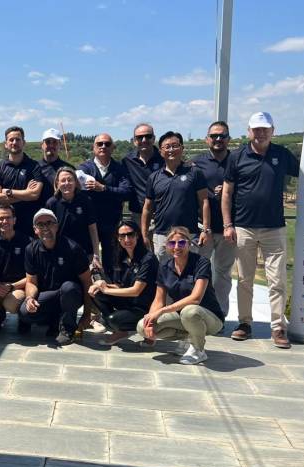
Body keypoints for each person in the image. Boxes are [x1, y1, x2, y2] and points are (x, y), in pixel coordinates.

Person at [222, 112, 299, 348]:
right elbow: (227, 193)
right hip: (244, 227)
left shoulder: (282, 154)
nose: (261, 133)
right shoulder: (236, 157)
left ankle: (278, 327)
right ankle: (245, 324)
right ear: (249, 131)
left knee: (277, 281)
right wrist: (227, 224)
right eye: (256, 129)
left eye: (265, 129)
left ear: (273, 131)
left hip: (274, 228)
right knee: (244, 280)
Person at [136, 226, 225, 364]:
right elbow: (158, 300)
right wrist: (150, 322)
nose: (176, 247)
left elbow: (196, 298)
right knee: (142, 326)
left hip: (210, 318)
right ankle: (188, 337)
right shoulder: (164, 266)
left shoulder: (201, 262)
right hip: (182, 315)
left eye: (181, 243)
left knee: (190, 311)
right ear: (167, 246)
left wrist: (163, 311)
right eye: (172, 243)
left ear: (189, 244)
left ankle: (198, 350)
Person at [20, 209, 94, 346]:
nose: (45, 227)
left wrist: (87, 314)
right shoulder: (30, 249)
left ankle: (67, 328)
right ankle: (54, 320)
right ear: (35, 229)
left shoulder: (73, 248)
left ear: (57, 226)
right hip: (49, 294)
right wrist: (30, 298)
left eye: (49, 223)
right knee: (24, 313)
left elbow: (87, 283)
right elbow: (31, 282)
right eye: (40, 224)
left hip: (71, 294)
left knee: (68, 288)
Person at [141, 131, 211, 261]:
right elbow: (147, 208)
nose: (171, 150)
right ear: (161, 151)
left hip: (189, 234)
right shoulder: (154, 177)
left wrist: (206, 230)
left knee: (189, 274)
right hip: (162, 234)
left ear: (182, 148)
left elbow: (204, 201)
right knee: (163, 274)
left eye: (175, 145)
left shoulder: (195, 173)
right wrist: (144, 234)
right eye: (167, 147)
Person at [192, 121, 236, 318]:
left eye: (222, 135)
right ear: (207, 139)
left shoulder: (236, 161)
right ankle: (196, 311)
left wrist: (229, 193)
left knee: (223, 274)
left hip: (229, 228)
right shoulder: (196, 162)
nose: (218, 139)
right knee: (198, 272)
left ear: (229, 139)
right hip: (204, 228)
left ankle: (219, 315)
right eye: (214, 135)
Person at [89, 220, 159, 346]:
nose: (127, 239)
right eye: (122, 236)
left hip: (144, 308)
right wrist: (100, 284)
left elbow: (136, 291)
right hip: (128, 302)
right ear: (118, 238)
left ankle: (125, 328)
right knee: (95, 292)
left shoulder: (148, 259)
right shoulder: (121, 256)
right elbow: (119, 286)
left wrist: (106, 290)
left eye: (130, 234)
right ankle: (120, 327)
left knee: (113, 319)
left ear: (137, 235)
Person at [77, 133, 132, 268]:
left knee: (112, 262)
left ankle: (111, 287)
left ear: (113, 147)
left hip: (111, 224)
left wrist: (103, 188)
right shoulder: (84, 168)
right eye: (99, 144)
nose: (103, 146)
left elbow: (127, 192)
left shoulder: (119, 169)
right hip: (88, 224)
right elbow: (76, 187)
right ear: (93, 147)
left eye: (107, 144)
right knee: (88, 261)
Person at [0, 205, 30, 333]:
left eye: (8, 218)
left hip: (17, 287)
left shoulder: (26, 241)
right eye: (1, 218)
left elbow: (32, 276)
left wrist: (12, 286)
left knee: (11, 304)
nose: (5, 221)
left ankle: (24, 318)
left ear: (14, 220)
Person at [45, 167, 102, 269]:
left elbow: (93, 229)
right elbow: (48, 231)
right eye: (63, 180)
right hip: (60, 253)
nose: (66, 183)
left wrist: (96, 255)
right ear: (57, 183)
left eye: (70, 180)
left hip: (85, 253)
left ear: (75, 182)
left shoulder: (85, 200)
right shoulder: (51, 203)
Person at [0, 126, 44, 234]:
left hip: (27, 224)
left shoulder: (34, 166)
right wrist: (26, 195)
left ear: (24, 142)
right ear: (6, 144)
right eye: (11, 140)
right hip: (3, 224)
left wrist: (9, 192)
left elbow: (34, 195)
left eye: (18, 139)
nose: (14, 142)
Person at [122, 123, 164, 220]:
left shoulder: (164, 158)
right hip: (137, 214)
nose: (144, 140)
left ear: (153, 139)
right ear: (134, 141)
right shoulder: (127, 161)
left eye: (148, 136)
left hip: (161, 214)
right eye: (140, 137)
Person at [36, 128, 73, 206]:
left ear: (60, 145)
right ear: (42, 145)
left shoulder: (69, 169)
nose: (51, 145)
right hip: (39, 215)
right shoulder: (34, 167)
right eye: (48, 142)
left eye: (55, 142)